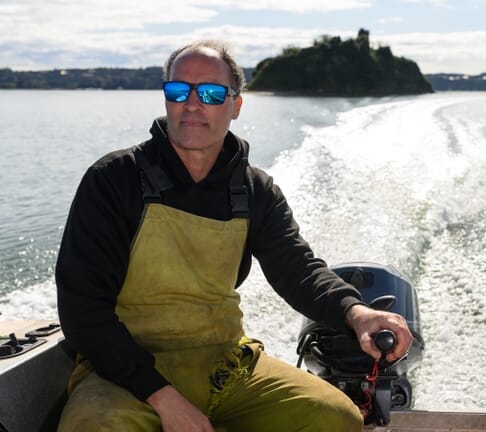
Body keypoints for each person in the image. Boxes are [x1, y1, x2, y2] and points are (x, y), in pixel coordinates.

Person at [55, 39, 413, 432]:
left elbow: (298, 269)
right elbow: (83, 310)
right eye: (178, 91)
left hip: (224, 365)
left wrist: (357, 312)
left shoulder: (253, 190)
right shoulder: (113, 179)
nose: (192, 103)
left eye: (210, 92)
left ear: (235, 105)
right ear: (166, 100)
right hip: (121, 372)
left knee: (336, 417)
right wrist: (163, 397)